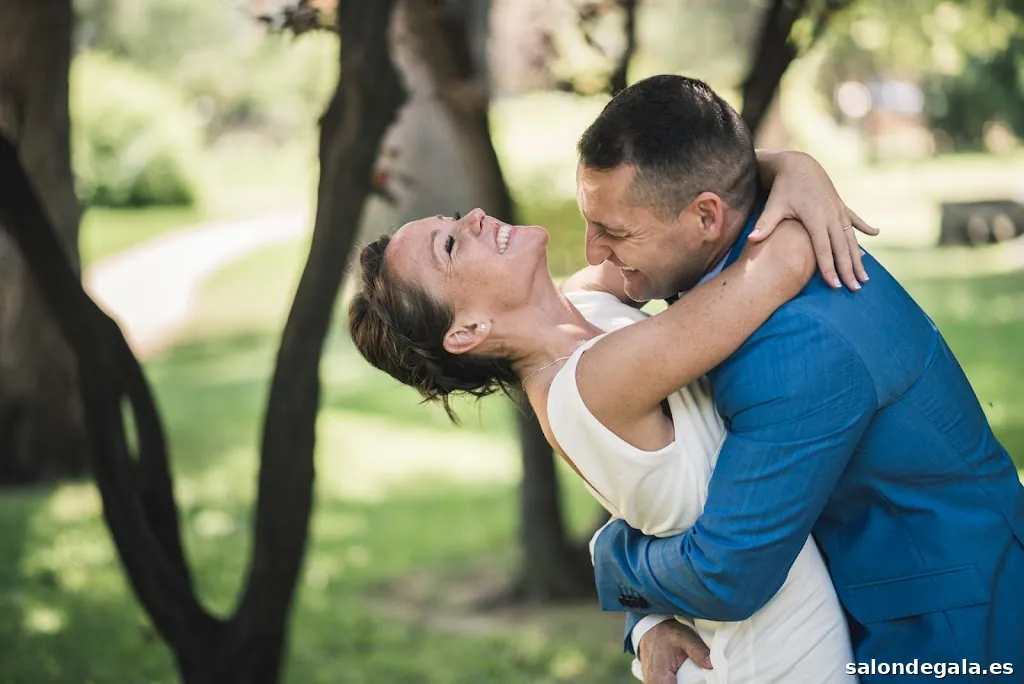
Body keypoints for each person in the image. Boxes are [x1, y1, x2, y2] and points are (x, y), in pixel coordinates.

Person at [347, 148, 873, 680]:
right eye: (452, 244)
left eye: (455, 217)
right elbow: (781, 262)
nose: (475, 217)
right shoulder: (591, 383)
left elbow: (679, 196)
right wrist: (802, 177)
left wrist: (789, 165)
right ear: (468, 331)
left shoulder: (583, 305)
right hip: (776, 665)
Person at [572, 75, 1024, 684]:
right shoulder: (732, 275)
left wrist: (612, 566)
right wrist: (648, 621)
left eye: (617, 233)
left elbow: (728, 573)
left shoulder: (795, 343)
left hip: (950, 637)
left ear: (707, 216)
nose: (593, 251)